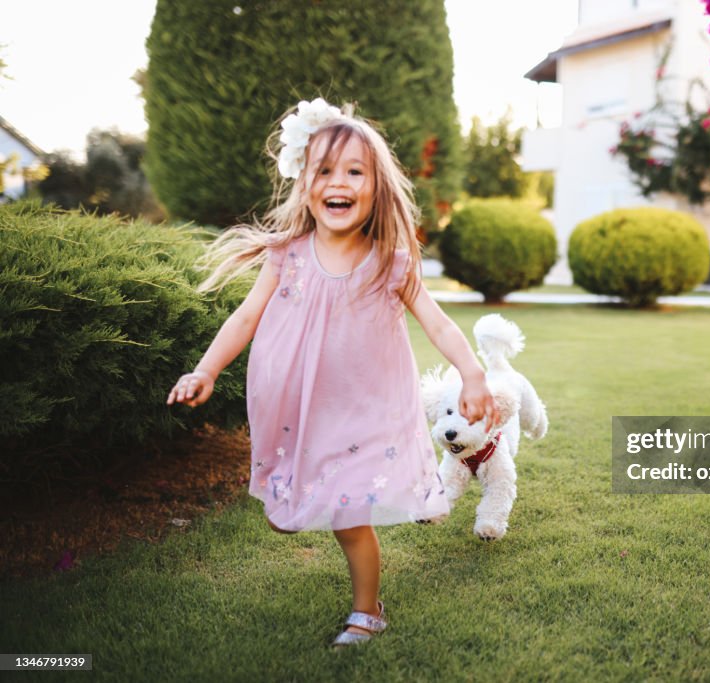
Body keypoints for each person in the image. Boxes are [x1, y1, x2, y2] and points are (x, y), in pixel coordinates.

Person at [166, 98, 496, 647]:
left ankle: (367, 611)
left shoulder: (390, 260)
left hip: (365, 412)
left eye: (353, 171)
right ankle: (307, 514)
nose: (336, 182)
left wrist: (473, 373)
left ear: (374, 187)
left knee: (347, 513)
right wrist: (204, 370)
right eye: (324, 170)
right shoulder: (287, 255)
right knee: (284, 513)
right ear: (305, 184)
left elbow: (436, 323)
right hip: (302, 410)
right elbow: (246, 316)